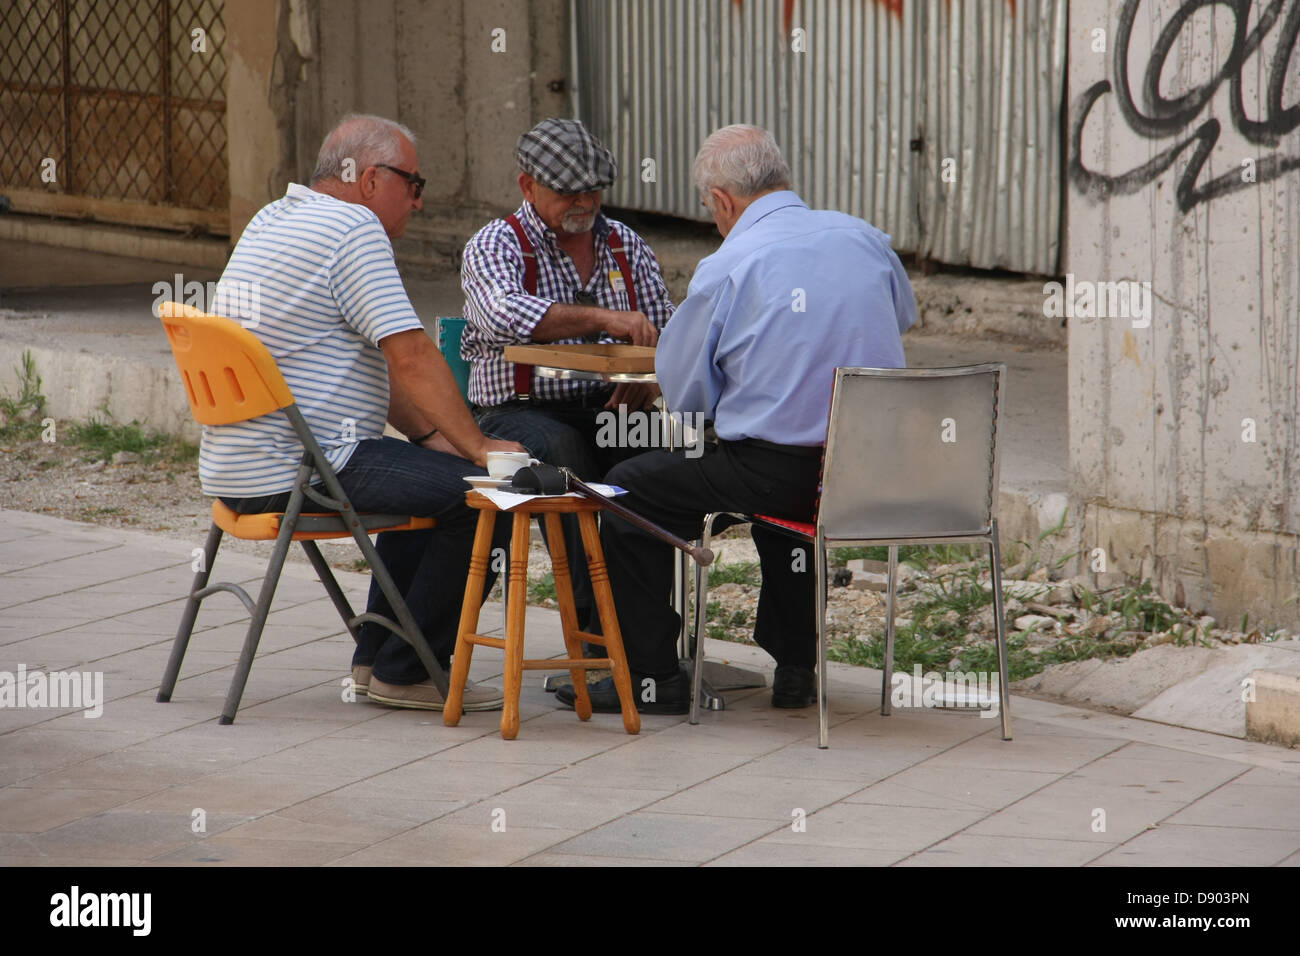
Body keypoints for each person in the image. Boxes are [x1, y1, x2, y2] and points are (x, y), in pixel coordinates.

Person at [558, 124, 918, 715]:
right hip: (872, 473)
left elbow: (690, 396)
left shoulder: (730, 264)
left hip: (781, 473)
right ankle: (796, 666)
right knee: (783, 493)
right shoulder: (866, 239)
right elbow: (897, 318)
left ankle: (652, 674)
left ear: (722, 201)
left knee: (629, 491)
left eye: (709, 209)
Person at [202, 113, 524, 712]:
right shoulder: (353, 230)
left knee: (427, 476)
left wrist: (434, 435)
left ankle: (377, 661)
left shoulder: (272, 218)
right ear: (372, 179)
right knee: (487, 498)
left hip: (236, 473)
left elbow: (384, 363)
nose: (419, 203)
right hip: (303, 472)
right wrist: (480, 450)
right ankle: (408, 668)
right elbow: (412, 356)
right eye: (415, 184)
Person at [460, 117, 676, 630]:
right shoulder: (497, 244)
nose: (583, 202)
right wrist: (603, 319)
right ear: (527, 185)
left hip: (607, 407)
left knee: (670, 458)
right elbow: (500, 315)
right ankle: (593, 629)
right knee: (567, 457)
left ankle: (648, 631)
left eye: (592, 190)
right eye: (567, 192)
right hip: (515, 412)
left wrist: (649, 376)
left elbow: (665, 327)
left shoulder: (624, 244)